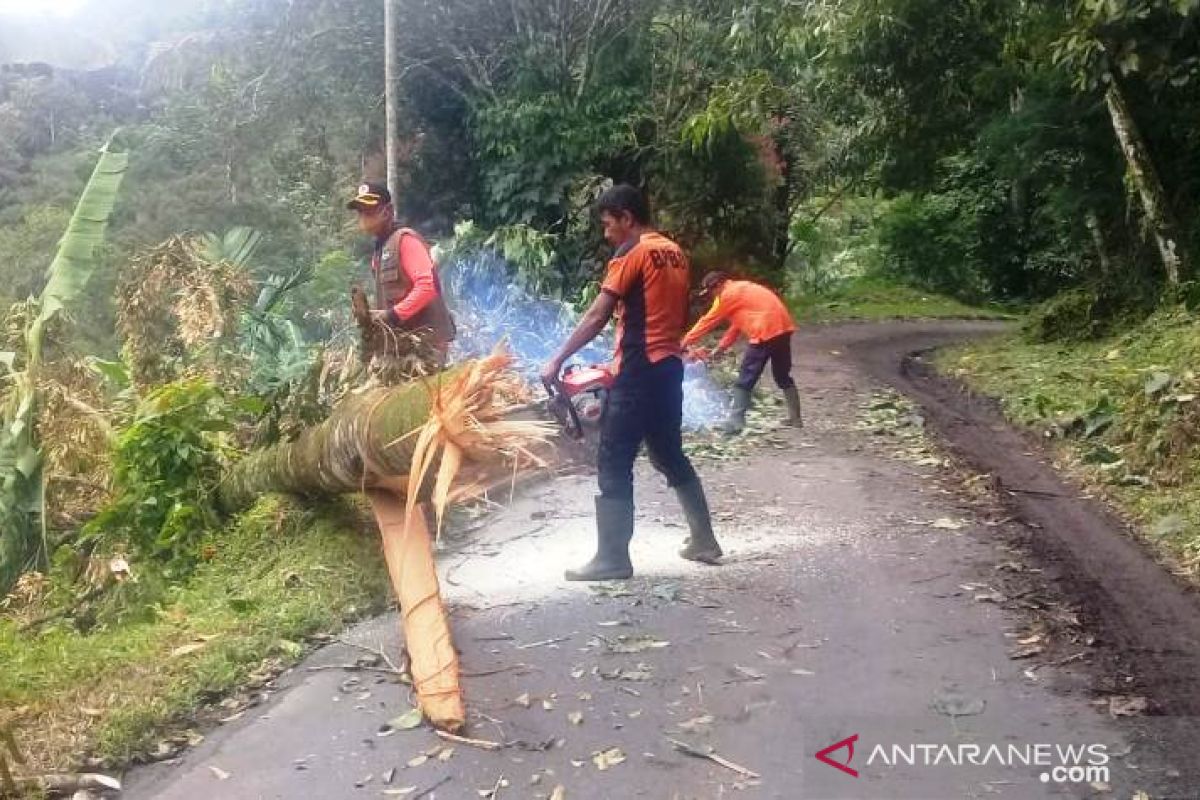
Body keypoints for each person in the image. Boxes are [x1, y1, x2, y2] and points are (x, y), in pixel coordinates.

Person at [540, 184, 722, 581]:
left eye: (609, 224)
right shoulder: (674, 252)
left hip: (639, 370)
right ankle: (704, 540)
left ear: (627, 217)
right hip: (669, 367)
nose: (607, 234)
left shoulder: (632, 253)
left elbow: (597, 315)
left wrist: (558, 358)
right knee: (668, 453)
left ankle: (612, 558)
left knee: (614, 457)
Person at [347, 182, 455, 374]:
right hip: (404, 347)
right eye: (360, 211)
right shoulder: (379, 254)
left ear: (387, 211)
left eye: (369, 209)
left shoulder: (405, 241)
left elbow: (427, 286)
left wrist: (392, 315)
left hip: (426, 347)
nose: (363, 216)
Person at [682, 271, 802, 433]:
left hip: (764, 331)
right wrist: (722, 347)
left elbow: (708, 321)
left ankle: (736, 422)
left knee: (745, 377)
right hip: (782, 328)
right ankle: (796, 419)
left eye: (711, 292)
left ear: (718, 285)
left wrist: (685, 342)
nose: (711, 296)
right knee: (782, 375)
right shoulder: (741, 291)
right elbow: (737, 325)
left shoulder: (727, 295)